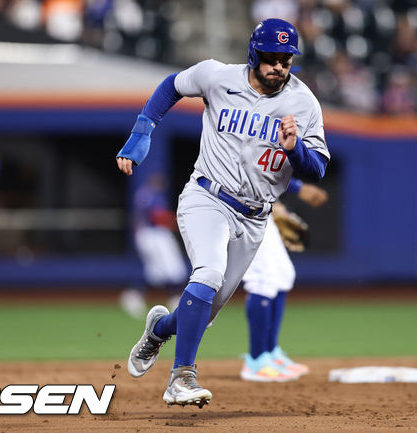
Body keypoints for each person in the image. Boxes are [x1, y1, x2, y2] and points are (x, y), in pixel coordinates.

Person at [116, 18, 329, 408]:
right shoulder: (217, 76)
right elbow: (172, 86)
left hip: (254, 218)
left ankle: (159, 330)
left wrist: (295, 149)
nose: (278, 66)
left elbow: (317, 169)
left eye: (286, 59)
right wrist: (141, 132)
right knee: (208, 274)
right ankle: (182, 377)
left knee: (203, 312)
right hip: (207, 198)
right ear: (253, 52)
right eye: (271, 57)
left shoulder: (304, 103)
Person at [241, 179, 328, 382]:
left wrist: (273, 202)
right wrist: (298, 188)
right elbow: (250, 163)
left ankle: (269, 353)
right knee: (264, 277)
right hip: (239, 206)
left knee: (282, 273)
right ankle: (255, 360)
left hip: (259, 203)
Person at [119, 173, 188, 319]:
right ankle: (174, 298)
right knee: (173, 268)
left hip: (145, 234)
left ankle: (134, 294)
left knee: (156, 272)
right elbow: (158, 217)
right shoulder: (152, 196)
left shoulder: (142, 194)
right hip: (155, 234)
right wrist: (180, 222)